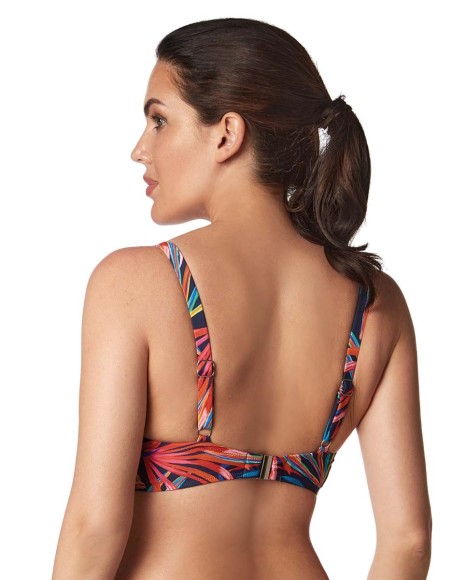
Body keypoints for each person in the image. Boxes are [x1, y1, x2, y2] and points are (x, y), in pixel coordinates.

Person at [52, 17, 432, 579]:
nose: (140, 149)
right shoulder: (374, 304)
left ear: (227, 134)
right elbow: (409, 540)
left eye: (159, 120)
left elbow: (95, 527)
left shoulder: (135, 282)